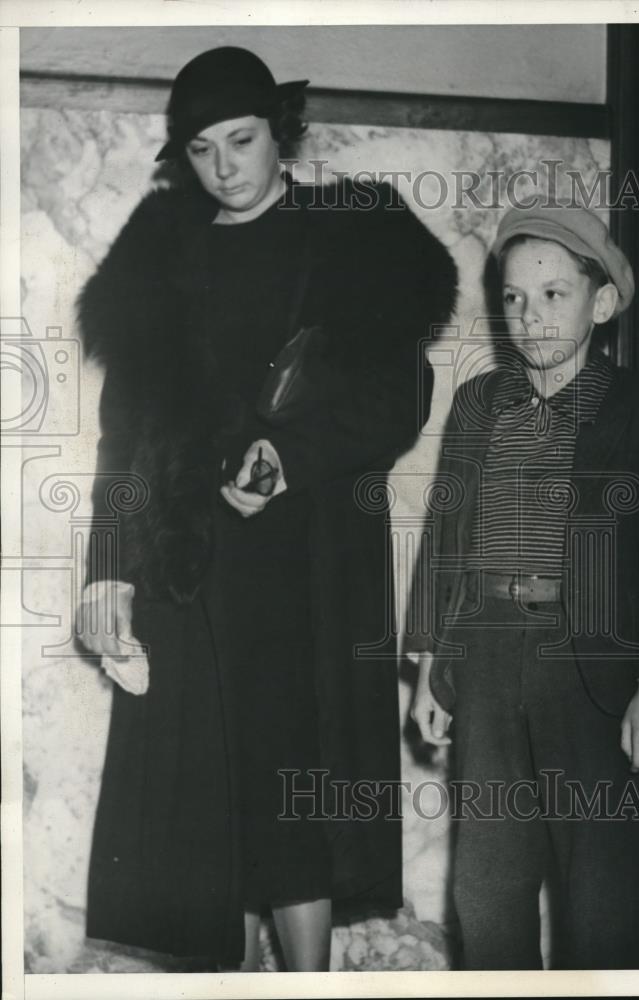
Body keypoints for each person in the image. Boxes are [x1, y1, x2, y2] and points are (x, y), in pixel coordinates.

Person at [75, 46, 457, 971]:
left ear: (279, 130)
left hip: (310, 563)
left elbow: (398, 397)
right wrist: (109, 569)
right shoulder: (164, 254)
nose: (224, 167)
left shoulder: (355, 232)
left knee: (300, 791)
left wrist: (290, 456)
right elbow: (125, 429)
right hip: (193, 568)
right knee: (210, 807)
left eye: (241, 140)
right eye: (201, 150)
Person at [407, 203, 639, 969]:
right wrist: (430, 666)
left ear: (601, 305)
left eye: (553, 295)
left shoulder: (634, 408)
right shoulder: (478, 405)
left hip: (592, 671)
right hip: (488, 662)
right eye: (512, 297)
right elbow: (445, 537)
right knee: (488, 885)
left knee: (603, 893)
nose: (528, 316)